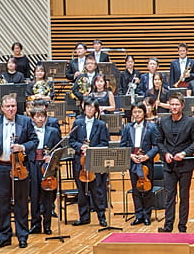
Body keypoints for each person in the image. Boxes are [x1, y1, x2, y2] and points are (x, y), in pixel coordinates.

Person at [0, 94, 38, 249]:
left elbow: (34, 141)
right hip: (0, 166)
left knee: (21, 203)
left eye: (13, 106)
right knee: (2, 203)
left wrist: (22, 147)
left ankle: (22, 236)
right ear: (2, 108)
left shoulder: (25, 121)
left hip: (19, 167)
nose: (11, 109)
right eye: (8, 106)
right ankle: (4, 236)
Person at [156, 92, 194, 233]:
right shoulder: (163, 121)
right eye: (172, 104)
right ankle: (168, 226)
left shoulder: (190, 121)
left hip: (185, 166)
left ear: (182, 106)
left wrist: (184, 153)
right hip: (169, 165)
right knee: (169, 196)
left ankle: (182, 226)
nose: (174, 107)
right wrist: (166, 153)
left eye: (177, 104)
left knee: (184, 196)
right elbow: (159, 141)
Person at [69, 97, 110, 227]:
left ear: (96, 109)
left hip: (94, 161)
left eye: (92, 107)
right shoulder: (77, 122)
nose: (89, 109)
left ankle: (101, 216)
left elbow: (104, 143)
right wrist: (80, 147)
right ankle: (83, 217)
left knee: (96, 190)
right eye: (87, 106)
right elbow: (71, 141)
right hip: (79, 161)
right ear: (84, 107)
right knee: (81, 191)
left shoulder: (101, 125)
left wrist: (91, 149)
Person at [120, 101, 158, 226]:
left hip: (146, 162)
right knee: (136, 190)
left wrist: (147, 156)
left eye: (139, 111)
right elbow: (123, 146)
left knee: (147, 190)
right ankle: (138, 215)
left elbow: (157, 146)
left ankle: (147, 215)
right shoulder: (127, 127)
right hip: (133, 162)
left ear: (144, 112)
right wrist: (130, 156)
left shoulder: (151, 127)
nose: (137, 114)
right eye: (135, 112)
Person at [28, 107, 61, 235]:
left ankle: (47, 225)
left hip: (48, 166)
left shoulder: (53, 131)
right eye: (37, 116)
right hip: (33, 165)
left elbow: (60, 149)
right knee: (34, 195)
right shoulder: (28, 131)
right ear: (32, 118)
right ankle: (35, 224)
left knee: (47, 196)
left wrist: (51, 157)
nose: (40, 119)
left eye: (42, 116)